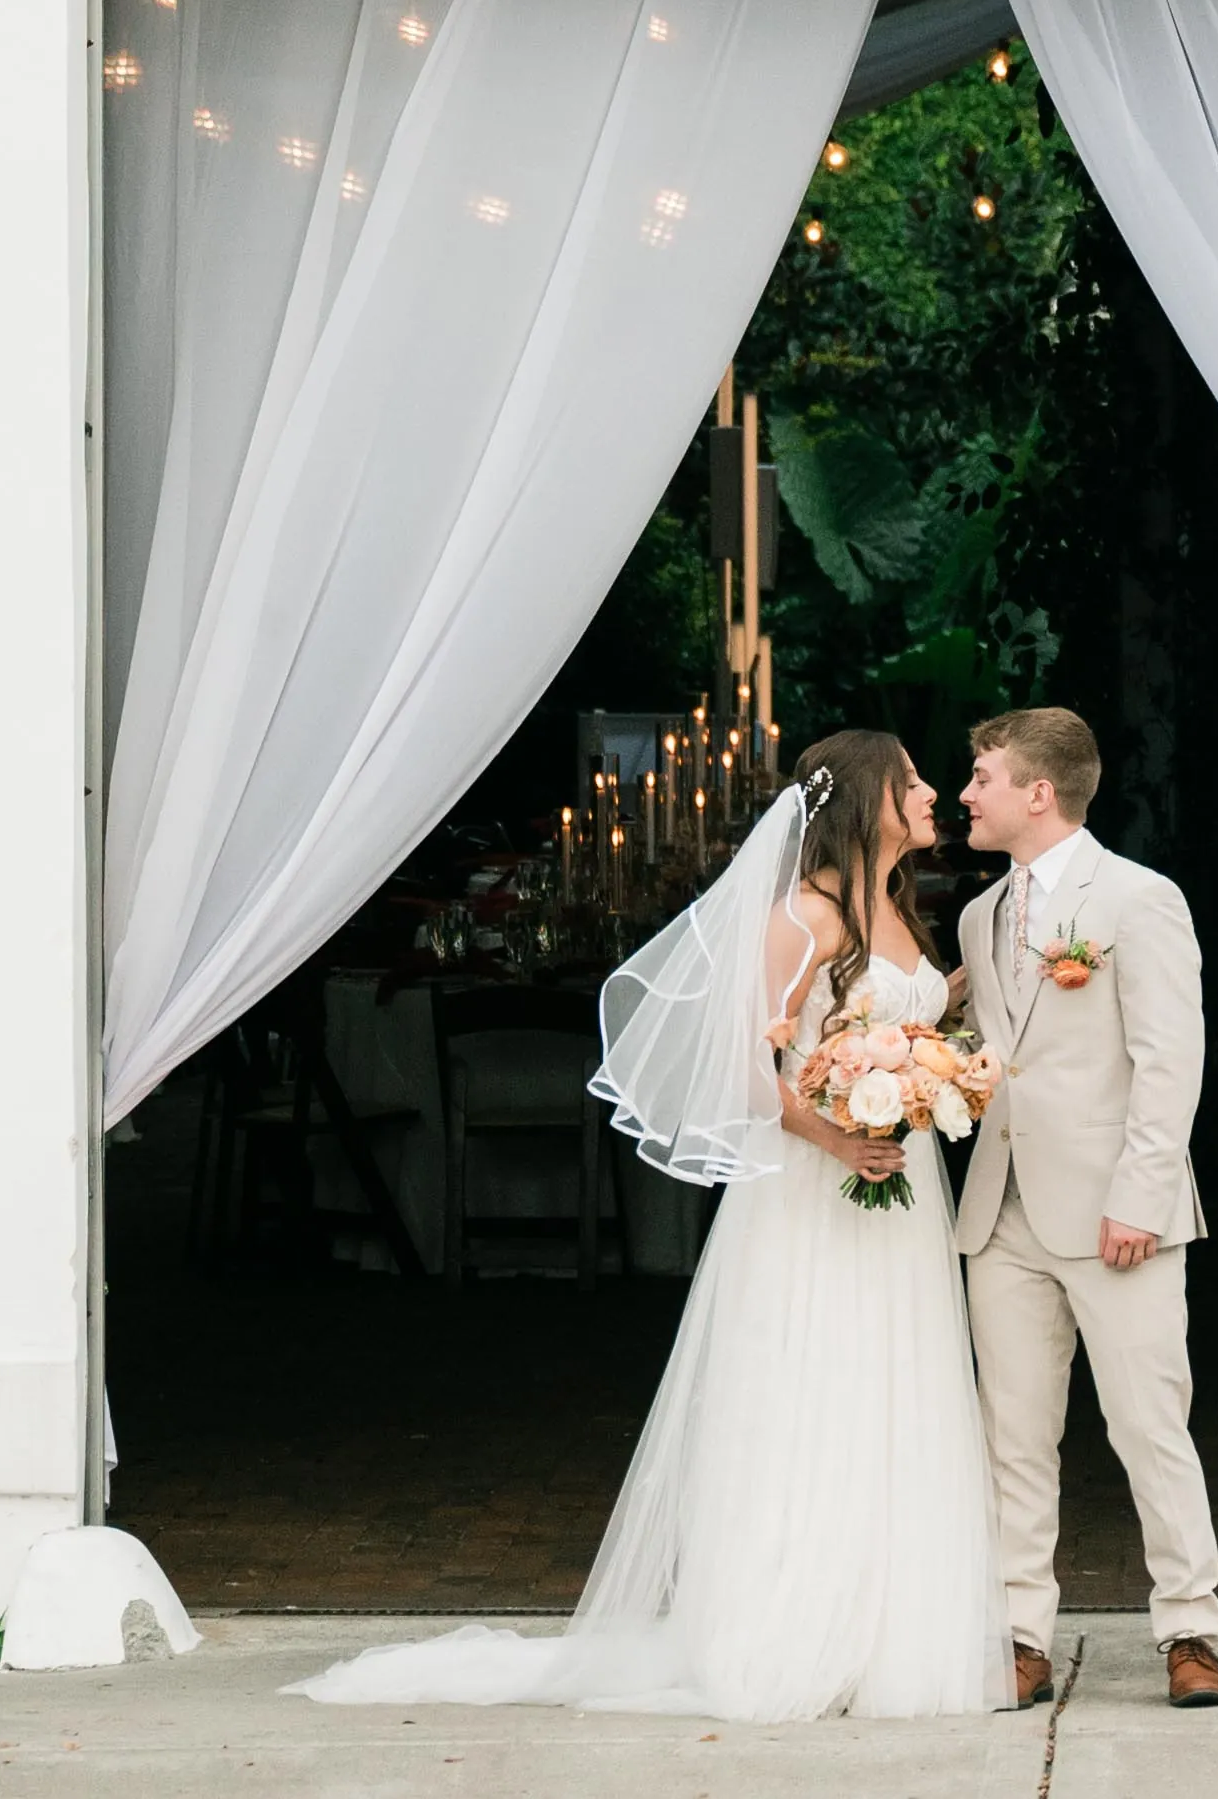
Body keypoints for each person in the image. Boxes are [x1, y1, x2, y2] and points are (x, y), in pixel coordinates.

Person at [291, 731, 1002, 1723]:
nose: (930, 792)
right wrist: (837, 1137)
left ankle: (890, 1626)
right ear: (867, 799)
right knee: (817, 1386)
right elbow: (750, 1071)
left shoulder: (898, 906)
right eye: (913, 777)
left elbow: (911, 1011)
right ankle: (797, 1623)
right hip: (816, 1190)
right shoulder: (804, 916)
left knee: (899, 1386)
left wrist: (950, 1043)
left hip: (901, 1188)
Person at [951, 707, 1218, 1713]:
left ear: (1040, 790)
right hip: (1001, 1213)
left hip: (1121, 1214)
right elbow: (995, 1054)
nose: (964, 793)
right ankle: (1020, 1635)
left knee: (1149, 1421)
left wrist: (1140, 1198)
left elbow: (1170, 1058)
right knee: (1012, 1433)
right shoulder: (979, 918)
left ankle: (1189, 1628)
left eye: (982, 776)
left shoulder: (1139, 900)